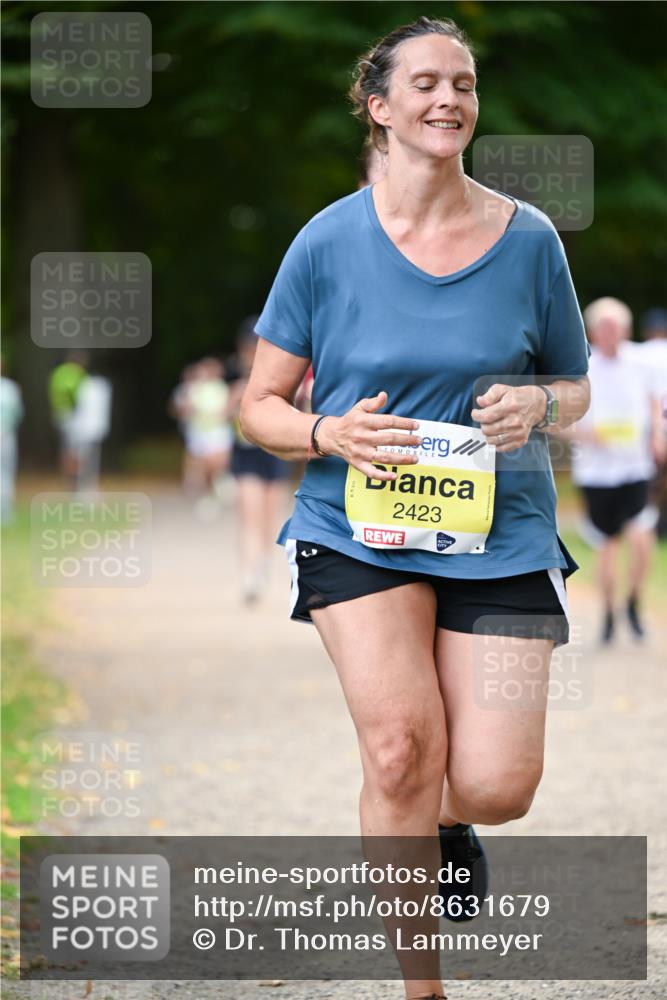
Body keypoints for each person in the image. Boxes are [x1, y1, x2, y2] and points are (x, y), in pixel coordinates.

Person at [240, 17, 590, 999]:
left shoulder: (528, 240)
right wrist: (325, 434)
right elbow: (256, 402)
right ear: (380, 106)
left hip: (503, 529)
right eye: (426, 84)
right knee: (398, 749)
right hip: (357, 526)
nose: (448, 100)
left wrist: (538, 404)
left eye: (464, 85)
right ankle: (421, 985)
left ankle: (449, 817)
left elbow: (575, 386)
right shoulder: (325, 241)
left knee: (493, 783)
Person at [568, 297, 665, 642]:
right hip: (596, 473)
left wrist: (656, 435)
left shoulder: (641, 362)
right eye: (606, 328)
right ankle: (608, 612)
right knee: (607, 545)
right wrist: (587, 433)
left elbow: (655, 401)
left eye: (619, 328)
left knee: (642, 537)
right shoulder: (581, 366)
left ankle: (634, 602)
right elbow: (558, 419)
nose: (614, 334)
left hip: (634, 468)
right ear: (593, 331)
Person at [227, 317, 292, 603]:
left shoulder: (281, 377)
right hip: (246, 454)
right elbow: (221, 414)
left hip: (275, 454)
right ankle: (250, 573)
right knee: (250, 514)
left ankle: (262, 564)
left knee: (269, 518)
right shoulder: (232, 376)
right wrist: (236, 399)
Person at [48, 350, 88, 489]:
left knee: (66, 448)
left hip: (60, 414)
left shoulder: (58, 372)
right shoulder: (76, 374)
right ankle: (74, 479)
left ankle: (69, 476)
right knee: (75, 449)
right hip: (72, 416)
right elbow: (76, 393)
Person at [0, 357, 24, 523]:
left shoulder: (9, 388)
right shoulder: (10, 388)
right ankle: (5, 513)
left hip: (6, 436)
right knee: (6, 473)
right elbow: (17, 414)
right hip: (6, 436)